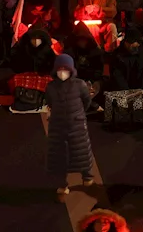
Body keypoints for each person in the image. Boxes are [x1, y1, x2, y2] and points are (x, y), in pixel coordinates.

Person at [47, 53, 94, 199]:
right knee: (59, 156)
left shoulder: (80, 84)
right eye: (59, 69)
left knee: (81, 151)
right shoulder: (50, 87)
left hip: (77, 125)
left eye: (65, 69)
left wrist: (79, 115)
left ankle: (87, 176)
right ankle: (62, 184)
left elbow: (87, 101)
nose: (62, 72)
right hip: (58, 126)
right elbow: (50, 103)